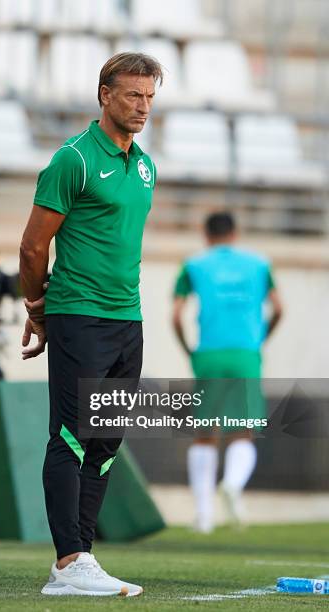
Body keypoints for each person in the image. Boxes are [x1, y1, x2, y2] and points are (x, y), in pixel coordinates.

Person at [19, 52, 162, 597]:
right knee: (71, 436)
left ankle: (83, 560)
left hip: (129, 319)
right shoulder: (72, 160)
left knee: (106, 439)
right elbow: (34, 245)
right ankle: (69, 559)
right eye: (132, 95)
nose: (142, 106)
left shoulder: (146, 166)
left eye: (149, 96)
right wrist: (38, 307)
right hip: (79, 314)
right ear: (104, 94)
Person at [172, 212, 283, 533]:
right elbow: (279, 307)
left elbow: (177, 316)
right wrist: (260, 340)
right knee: (243, 430)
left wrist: (188, 350)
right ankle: (233, 485)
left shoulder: (193, 264)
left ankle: (204, 517)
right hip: (245, 352)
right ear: (235, 233)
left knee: (205, 434)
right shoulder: (260, 264)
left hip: (208, 353)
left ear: (206, 235)